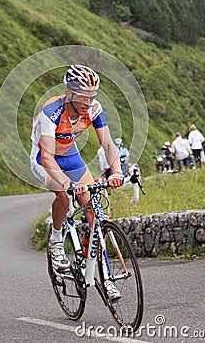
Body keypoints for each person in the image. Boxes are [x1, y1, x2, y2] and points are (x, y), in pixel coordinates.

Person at [30, 65, 124, 299]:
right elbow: (49, 159)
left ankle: (104, 274)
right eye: (83, 95)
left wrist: (117, 171)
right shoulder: (51, 111)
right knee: (63, 195)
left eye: (92, 95)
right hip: (44, 157)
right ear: (69, 93)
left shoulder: (93, 109)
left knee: (94, 209)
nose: (88, 101)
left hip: (71, 156)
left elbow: (108, 144)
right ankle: (55, 241)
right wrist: (68, 184)